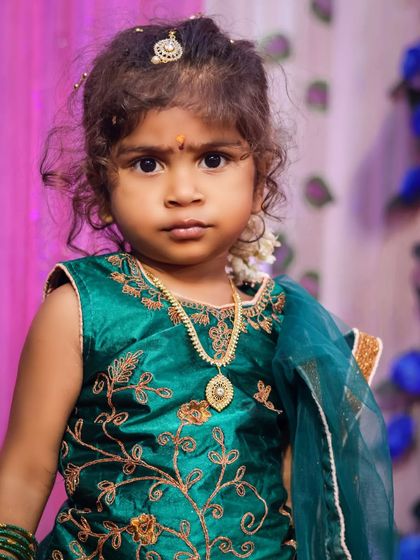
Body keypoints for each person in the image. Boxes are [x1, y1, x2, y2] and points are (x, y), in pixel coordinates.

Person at [0, 15, 395, 560]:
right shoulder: (82, 307)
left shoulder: (288, 324)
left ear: (259, 181)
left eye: (214, 160)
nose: (182, 191)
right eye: (147, 163)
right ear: (100, 180)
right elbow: (23, 472)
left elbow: (306, 500)